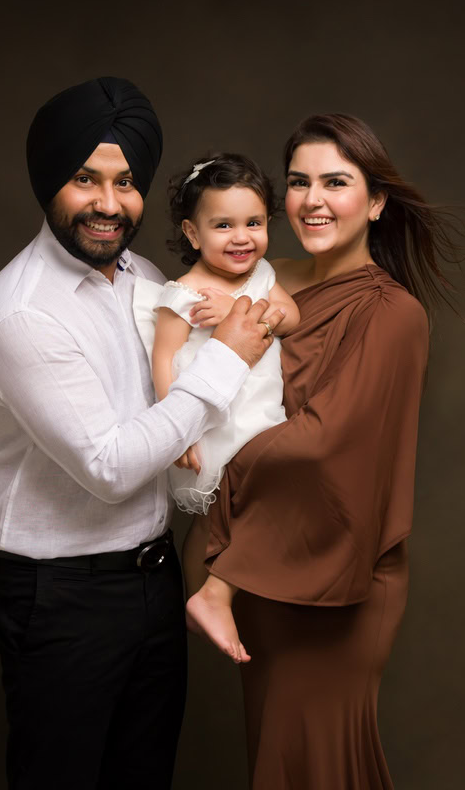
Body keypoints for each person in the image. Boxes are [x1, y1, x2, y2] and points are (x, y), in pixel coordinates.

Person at [0, 77, 286, 790]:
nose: (109, 204)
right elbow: (110, 468)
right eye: (86, 179)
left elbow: (189, 365)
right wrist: (230, 358)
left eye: (127, 182)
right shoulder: (24, 314)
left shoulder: (144, 276)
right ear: (50, 179)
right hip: (61, 599)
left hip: (152, 578)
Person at [198, 113, 465, 789]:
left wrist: (220, 476)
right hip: (270, 564)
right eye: (298, 182)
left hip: (336, 578)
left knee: (312, 764)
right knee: (280, 758)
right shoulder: (267, 280)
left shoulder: (391, 314)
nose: (312, 199)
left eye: (336, 182)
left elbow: (323, 446)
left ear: (375, 202)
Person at [131, 153, 300, 664]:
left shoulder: (262, 276)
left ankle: (215, 597)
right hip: (211, 422)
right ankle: (202, 594)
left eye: (253, 222)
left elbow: (289, 317)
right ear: (192, 231)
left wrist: (243, 311)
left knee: (265, 500)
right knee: (214, 519)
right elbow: (164, 360)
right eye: (222, 225)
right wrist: (176, 432)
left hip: (261, 416)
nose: (241, 237)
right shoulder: (182, 294)